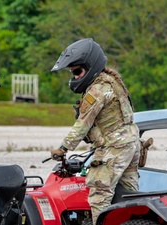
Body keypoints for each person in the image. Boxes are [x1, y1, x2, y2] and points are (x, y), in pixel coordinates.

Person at [50, 38, 142, 225]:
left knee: (99, 195)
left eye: (77, 72)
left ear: (90, 66)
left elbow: (83, 124)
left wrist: (63, 148)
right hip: (130, 145)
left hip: (114, 147)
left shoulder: (97, 91)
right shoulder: (113, 82)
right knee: (129, 197)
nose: (74, 77)